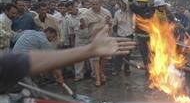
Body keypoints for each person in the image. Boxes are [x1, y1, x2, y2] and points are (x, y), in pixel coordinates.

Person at [0, 26, 135, 94]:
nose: (52, 39)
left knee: (25, 85)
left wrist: (90, 50)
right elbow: (50, 60)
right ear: (49, 33)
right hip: (18, 65)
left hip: (16, 60)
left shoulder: (29, 32)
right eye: (53, 36)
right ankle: (31, 100)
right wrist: (58, 74)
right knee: (29, 88)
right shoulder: (42, 39)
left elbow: (16, 50)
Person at [80, 0, 112, 87]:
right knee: (95, 59)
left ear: (100, 3)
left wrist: (109, 34)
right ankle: (98, 78)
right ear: (90, 4)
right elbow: (84, 26)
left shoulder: (106, 12)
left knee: (105, 58)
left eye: (96, 4)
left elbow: (110, 24)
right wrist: (82, 23)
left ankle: (101, 73)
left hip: (105, 38)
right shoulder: (86, 14)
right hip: (94, 39)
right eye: (92, 4)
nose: (94, 6)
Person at [128, 0, 154, 76]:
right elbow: (131, 5)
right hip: (140, 36)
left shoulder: (150, 9)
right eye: (140, 2)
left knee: (152, 54)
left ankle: (153, 69)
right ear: (138, 2)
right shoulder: (137, 9)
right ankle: (148, 70)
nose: (142, 4)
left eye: (143, 2)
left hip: (150, 36)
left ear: (146, 2)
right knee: (144, 54)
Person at [112, 0, 134, 75]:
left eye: (125, 4)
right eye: (122, 4)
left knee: (128, 53)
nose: (123, 5)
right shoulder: (117, 13)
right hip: (120, 35)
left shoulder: (130, 13)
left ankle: (126, 69)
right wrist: (115, 35)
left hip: (129, 35)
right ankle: (117, 69)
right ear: (119, 4)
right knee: (118, 54)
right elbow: (115, 25)